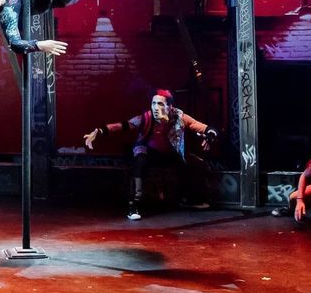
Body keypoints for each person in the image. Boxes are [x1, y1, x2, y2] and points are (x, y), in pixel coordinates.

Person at [83, 89, 218, 220]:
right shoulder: (146, 117)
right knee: (140, 162)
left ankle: (190, 199)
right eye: (153, 103)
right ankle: (134, 205)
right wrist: (100, 131)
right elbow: (123, 125)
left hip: (170, 152)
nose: (155, 108)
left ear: (170, 107)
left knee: (195, 163)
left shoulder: (180, 117)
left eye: (160, 104)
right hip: (149, 151)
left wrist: (210, 136)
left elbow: (206, 128)